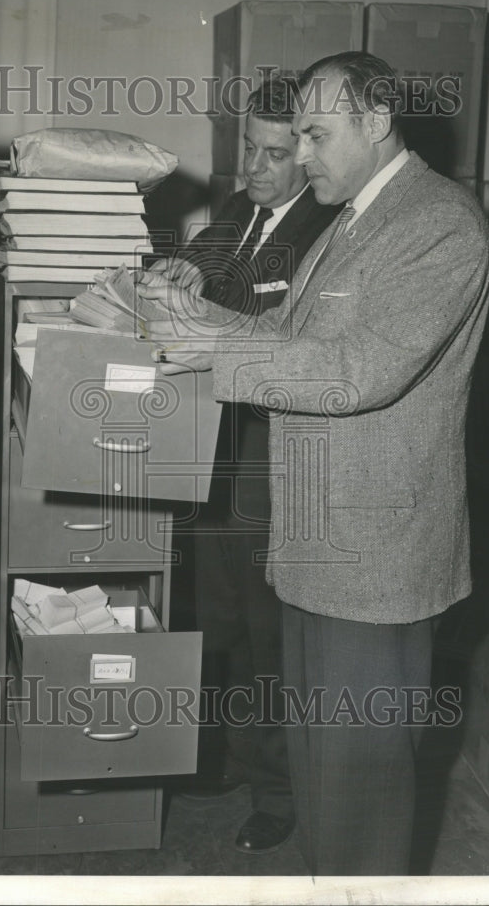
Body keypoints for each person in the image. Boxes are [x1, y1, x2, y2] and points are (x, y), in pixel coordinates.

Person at [138, 51, 489, 875]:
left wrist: (211, 357)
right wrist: (202, 327)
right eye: (295, 134)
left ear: (375, 122)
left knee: (359, 797)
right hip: (314, 549)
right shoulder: (358, 216)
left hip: (372, 561)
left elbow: (355, 371)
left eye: (316, 133)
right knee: (321, 778)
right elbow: (294, 340)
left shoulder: (436, 222)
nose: (301, 154)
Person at [149, 78, 338, 856]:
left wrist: (211, 313)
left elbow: (295, 337)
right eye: (247, 150)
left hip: (276, 448)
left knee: (268, 630)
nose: (254, 169)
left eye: (275, 153)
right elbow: (201, 267)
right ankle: (226, 759)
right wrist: (177, 274)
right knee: (215, 613)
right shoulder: (238, 210)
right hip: (213, 440)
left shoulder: (330, 226)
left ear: (310, 150)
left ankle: (278, 789)